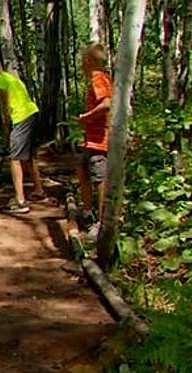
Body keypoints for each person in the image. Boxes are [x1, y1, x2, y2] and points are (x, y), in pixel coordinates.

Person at [0, 56, 45, 215]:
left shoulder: (1, 81)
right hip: (32, 114)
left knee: (15, 159)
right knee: (28, 156)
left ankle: (20, 201)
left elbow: (5, 109)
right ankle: (39, 190)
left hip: (21, 118)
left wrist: (6, 131)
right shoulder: (11, 78)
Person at [76, 43, 113, 239]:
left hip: (100, 141)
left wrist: (86, 117)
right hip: (91, 140)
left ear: (89, 61)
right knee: (82, 170)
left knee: (100, 179)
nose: (81, 65)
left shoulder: (98, 78)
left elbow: (107, 104)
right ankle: (87, 212)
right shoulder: (100, 78)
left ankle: (102, 222)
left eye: (82, 61)